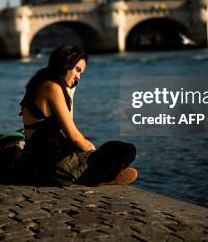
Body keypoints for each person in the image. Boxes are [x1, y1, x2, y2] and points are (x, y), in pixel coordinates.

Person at [17, 44, 137, 186]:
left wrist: (70, 94)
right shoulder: (51, 87)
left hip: (40, 163)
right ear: (66, 64)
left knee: (97, 149)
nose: (78, 77)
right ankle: (99, 176)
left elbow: (66, 126)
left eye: (81, 74)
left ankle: (99, 173)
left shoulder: (42, 83)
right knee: (126, 150)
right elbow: (73, 136)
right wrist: (92, 152)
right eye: (77, 70)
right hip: (54, 167)